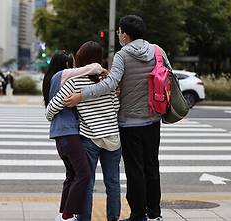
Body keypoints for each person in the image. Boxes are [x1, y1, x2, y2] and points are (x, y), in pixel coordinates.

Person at [63, 15, 171, 221]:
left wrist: (81, 95)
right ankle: (154, 213)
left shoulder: (123, 55)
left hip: (130, 122)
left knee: (135, 170)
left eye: (120, 32)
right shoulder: (158, 50)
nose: (119, 35)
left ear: (125, 34)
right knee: (151, 166)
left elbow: (110, 84)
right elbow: (168, 76)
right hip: (153, 118)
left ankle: (138, 214)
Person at [46, 41, 122, 221]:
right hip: (112, 137)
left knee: (88, 183)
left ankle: (84, 218)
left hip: (91, 138)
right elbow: (116, 106)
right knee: (113, 183)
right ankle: (113, 218)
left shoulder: (74, 82)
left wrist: (54, 118)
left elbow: (51, 108)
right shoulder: (108, 81)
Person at [42, 50, 89, 221]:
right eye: (73, 64)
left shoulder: (51, 79)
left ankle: (64, 213)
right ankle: (68, 214)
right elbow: (87, 70)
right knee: (84, 174)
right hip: (68, 133)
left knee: (72, 174)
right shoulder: (61, 77)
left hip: (60, 134)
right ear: (68, 65)